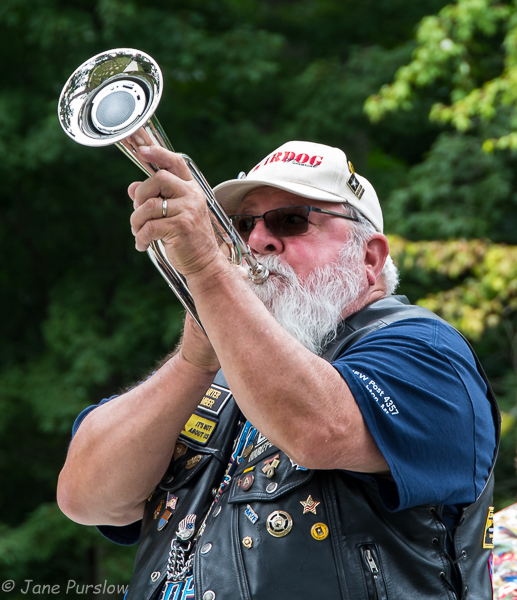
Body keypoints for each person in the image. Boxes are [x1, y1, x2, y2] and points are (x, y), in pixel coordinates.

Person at [57, 141, 499, 600]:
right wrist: (193, 362)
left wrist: (208, 270)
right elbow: (84, 497)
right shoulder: (220, 375)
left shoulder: (426, 350)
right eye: (242, 225)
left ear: (369, 258)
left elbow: (318, 430)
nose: (256, 242)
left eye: (291, 220)